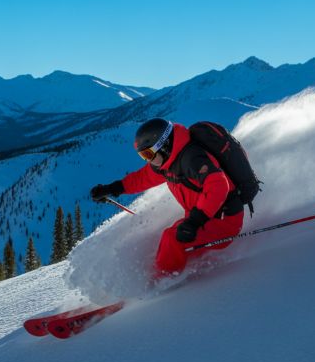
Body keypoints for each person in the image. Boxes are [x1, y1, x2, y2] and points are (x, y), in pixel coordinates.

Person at [90, 118, 244, 277]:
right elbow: (143, 178)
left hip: (224, 221)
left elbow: (218, 185)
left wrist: (195, 221)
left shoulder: (191, 159)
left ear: (163, 145)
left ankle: (162, 282)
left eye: (148, 153)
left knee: (172, 239)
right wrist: (113, 188)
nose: (148, 160)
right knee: (165, 239)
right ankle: (163, 272)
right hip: (203, 218)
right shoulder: (166, 163)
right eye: (144, 155)